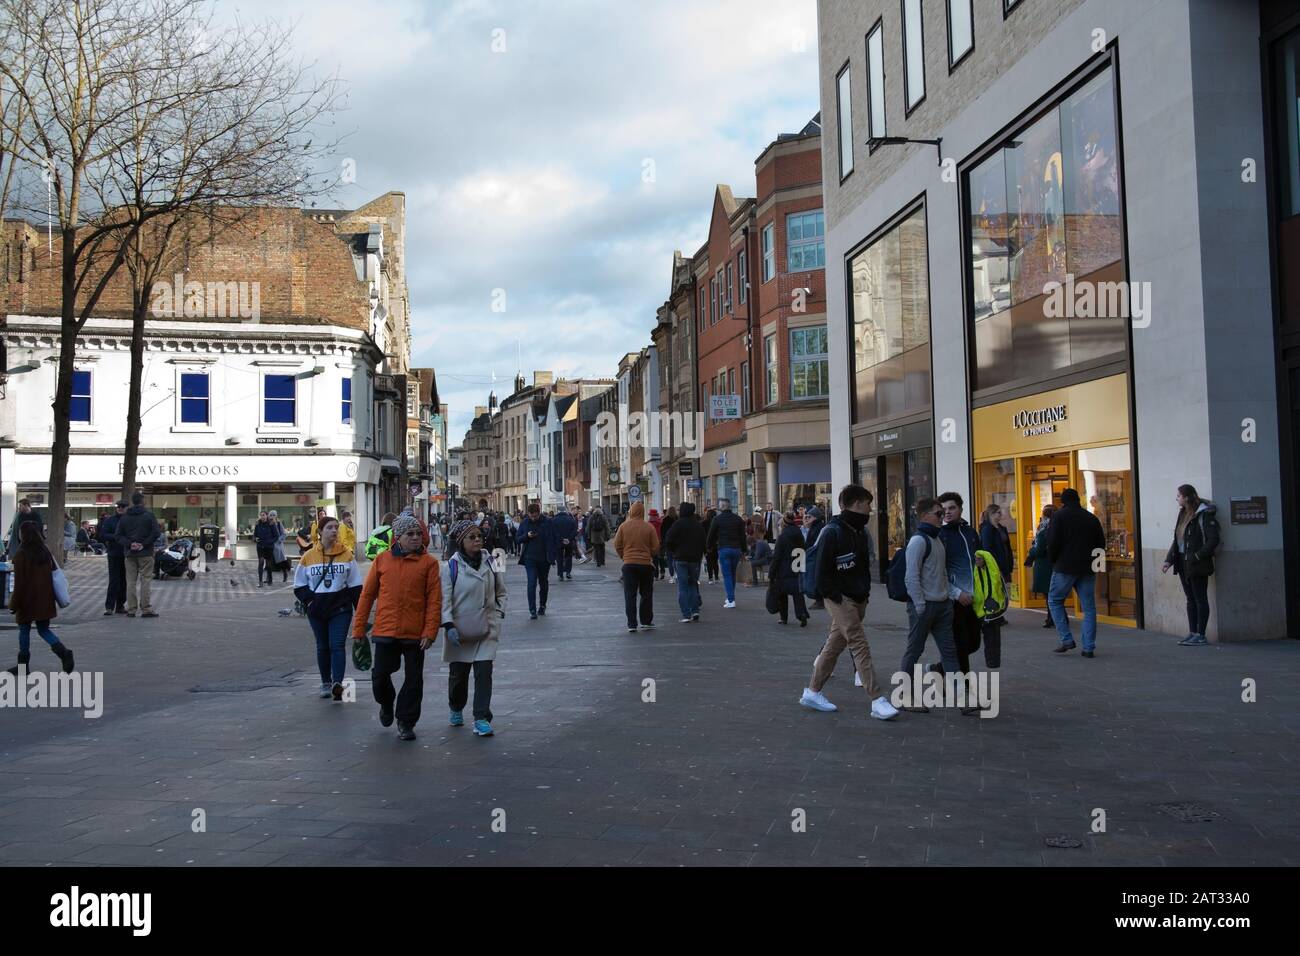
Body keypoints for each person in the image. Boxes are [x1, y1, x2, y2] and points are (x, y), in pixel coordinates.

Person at [799, 485, 899, 721]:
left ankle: (812, 691)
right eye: (867, 505)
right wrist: (834, 596)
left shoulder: (859, 533)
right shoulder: (832, 532)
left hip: (857, 596)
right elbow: (822, 571)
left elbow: (863, 566)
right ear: (855, 504)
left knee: (834, 645)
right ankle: (877, 699)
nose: (870, 509)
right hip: (839, 597)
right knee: (858, 642)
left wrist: (864, 594)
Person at [351, 514, 442, 741]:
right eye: (409, 534)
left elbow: (434, 600)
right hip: (385, 630)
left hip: (415, 633)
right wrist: (359, 628)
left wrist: (430, 631)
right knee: (380, 676)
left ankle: (406, 721)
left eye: (418, 534)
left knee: (414, 680)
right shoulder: (382, 560)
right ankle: (386, 703)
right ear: (397, 537)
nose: (415, 538)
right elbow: (367, 595)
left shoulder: (429, 564)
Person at [441, 520, 507, 737]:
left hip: (487, 627)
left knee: (484, 671)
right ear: (461, 542)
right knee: (459, 676)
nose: (477, 540)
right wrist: (448, 624)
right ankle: (455, 706)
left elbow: (501, 592)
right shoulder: (450, 567)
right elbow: (445, 600)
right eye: (472, 537)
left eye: (479, 536)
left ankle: (481, 718)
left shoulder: (492, 561)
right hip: (460, 629)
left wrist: (498, 614)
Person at [900, 497, 962, 711]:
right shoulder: (918, 541)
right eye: (938, 513)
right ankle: (906, 698)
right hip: (925, 606)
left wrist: (949, 597)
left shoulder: (937, 540)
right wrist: (919, 605)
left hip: (942, 606)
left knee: (950, 653)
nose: (943, 516)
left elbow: (941, 573)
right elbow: (911, 576)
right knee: (914, 651)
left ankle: (964, 699)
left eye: (943, 512)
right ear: (925, 515)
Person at [294, 515, 363, 701]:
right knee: (322, 646)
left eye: (336, 528)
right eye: (330, 528)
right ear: (320, 532)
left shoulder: (347, 555)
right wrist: (309, 602)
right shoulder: (308, 557)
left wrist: (361, 614)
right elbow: (299, 585)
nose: (334, 531)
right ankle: (325, 681)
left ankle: (337, 683)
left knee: (337, 645)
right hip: (316, 610)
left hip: (340, 609)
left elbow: (356, 586)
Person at [1046, 487, 1107, 657]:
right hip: (1087, 568)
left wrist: (1053, 561)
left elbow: (1053, 542)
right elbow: (1100, 544)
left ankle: (1066, 639)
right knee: (1089, 608)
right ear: (1078, 500)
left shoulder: (1058, 516)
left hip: (1064, 567)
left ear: (1063, 501)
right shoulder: (1091, 518)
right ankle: (1088, 647)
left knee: (1055, 601)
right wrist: (1096, 567)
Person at [7, 523, 74, 676]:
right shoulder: (45, 551)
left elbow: (19, 583)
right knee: (44, 630)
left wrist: (13, 604)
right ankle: (63, 652)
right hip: (45, 599)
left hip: (26, 600)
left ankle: (23, 666)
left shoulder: (21, 554)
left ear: (23, 535)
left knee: (24, 631)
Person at [1162, 484, 1220, 646]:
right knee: (1190, 599)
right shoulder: (1182, 514)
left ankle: (1201, 635)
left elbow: (1213, 540)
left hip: (1196, 563)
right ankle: (1193, 632)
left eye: (1179, 496)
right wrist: (1169, 560)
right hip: (1182, 562)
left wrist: (1197, 555)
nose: (1177, 499)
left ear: (1187, 497)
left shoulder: (1204, 515)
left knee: (1200, 598)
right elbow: (1177, 540)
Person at [937, 492, 981, 676]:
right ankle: (964, 690)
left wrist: (982, 561)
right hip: (954, 600)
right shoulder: (940, 535)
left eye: (951, 508)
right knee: (961, 645)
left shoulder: (971, 532)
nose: (947, 512)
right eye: (943, 509)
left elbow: (981, 555)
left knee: (974, 643)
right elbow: (938, 572)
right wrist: (956, 593)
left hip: (974, 598)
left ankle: (941, 668)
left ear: (961, 509)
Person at [613, 501, 659, 633]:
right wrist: (648, 554)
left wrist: (624, 556)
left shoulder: (623, 526)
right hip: (645, 565)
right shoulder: (649, 527)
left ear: (631, 512)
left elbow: (617, 544)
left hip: (629, 565)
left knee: (630, 594)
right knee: (646, 594)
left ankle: (632, 624)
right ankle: (646, 621)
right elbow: (656, 547)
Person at [115, 492, 161, 618]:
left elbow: (118, 535)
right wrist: (144, 544)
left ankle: (131, 609)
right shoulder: (149, 515)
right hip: (145, 553)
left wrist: (130, 544)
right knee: (145, 580)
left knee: (130, 581)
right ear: (143, 501)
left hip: (130, 553)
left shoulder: (125, 517)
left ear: (132, 502)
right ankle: (146, 608)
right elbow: (156, 532)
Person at [663, 502, 705, 622]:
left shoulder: (678, 524)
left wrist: (673, 551)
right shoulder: (698, 525)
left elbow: (668, 539)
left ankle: (686, 614)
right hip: (694, 560)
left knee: (682, 587)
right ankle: (695, 610)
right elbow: (703, 541)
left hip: (680, 558)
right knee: (693, 584)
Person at [516, 503, 557, 619]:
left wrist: (553, 556)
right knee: (531, 583)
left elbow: (554, 538)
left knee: (543, 583)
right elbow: (518, 539)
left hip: (544, 558)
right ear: (528, 514)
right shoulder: (525, 523)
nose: (533, 518)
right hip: (529, 558)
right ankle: (532, 610)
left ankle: (542, 605)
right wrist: (527, 536)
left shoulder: (548, 522)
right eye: (531, 516)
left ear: (539, 513)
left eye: (535, 516)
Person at [705, 499, 746, 608]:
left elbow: (711, 535)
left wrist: (708, 547)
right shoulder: (738, 519)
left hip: (724, 548)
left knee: (727, 574)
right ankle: (730, 597)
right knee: (732, 573)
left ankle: (731, 599)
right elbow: (743, 536)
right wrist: (744, 550)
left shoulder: (717, 519)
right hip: (736, 549)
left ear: (722, 507)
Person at [770, 512, 809, 626]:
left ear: (784, 523)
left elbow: (777, 556)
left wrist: (772, 572)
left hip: (784, 568)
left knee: (782, 593)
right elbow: (803, 549)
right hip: (797, 566)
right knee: (798, 592)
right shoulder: (799, 533)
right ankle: (802, 613)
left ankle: (783, 618)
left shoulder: (782, 536)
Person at [972, 550, 1007, 669]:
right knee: (986, 638)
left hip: (992, 610)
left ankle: (993, 662)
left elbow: (995, 580)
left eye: (979, 559)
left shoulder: (991, 572)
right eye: (976, 559)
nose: (976, 561)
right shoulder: (976, 572)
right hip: (981, 609)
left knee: (992, 638)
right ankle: (992, 661)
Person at [1025, 504, 1057, 628]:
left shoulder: (1043, 528)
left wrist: (1031, 551)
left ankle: (1052, 618)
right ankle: (1054, 617)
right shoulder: (1056, 526)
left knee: (1049, 594)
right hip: (1054, 564)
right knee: (1053, 593)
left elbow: (1038, 549)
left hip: (1044, 565)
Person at [97, 501, 128, 616]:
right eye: (118, 507)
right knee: (114, 580)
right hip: (114, 553)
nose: (120, 508)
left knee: (124, 581)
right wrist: (117, 537)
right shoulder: (110, 520)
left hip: (126, 553)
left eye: (122, 507)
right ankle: (109, 606)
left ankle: (120, 605)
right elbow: (103, 534)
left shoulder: (129, 520)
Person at [979, 503, 1013, 580]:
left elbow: (1008, 546)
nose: (1001, 514)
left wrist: (1010, 564)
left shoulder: (1001, 528)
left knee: (1007, 589)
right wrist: (995, 566)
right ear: (992, 514)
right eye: (999, 512)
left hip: (1005, 565)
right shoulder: (987, 529)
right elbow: (988, 549)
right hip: (995, 567)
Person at [253, 511, 279, 588]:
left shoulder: (271, 524)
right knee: (261, 562)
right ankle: (260, 581)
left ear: (267, 516)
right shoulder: (258, 524)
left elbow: (276, 536)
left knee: (268, 564)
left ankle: (270, 579)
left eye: (264, 515)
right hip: (260, 546)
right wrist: (255, 539)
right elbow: (254, 535)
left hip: (269, 547)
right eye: (261, 515)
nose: (262, 517)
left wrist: (270, 542)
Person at [552, 506, 578, 581]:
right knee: (568, 557)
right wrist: (568, 539)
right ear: (565, 511)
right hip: (569, 542)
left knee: (559, 558)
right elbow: (574, 530)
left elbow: (554, 532)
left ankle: (560, 574)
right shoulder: (570, 519)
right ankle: (568, 572)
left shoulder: (554, 520)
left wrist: (561, 539)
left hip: (558, 542)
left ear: (558, 511)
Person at [268, 510, 289, 583]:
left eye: (274, 515)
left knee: (281, 561)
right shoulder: (268, 524)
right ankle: (269, 578)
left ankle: (285, 574)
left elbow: (284, 534)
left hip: (278, 546)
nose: (272, 516)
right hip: (270, 545)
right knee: (269, 562)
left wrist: (279, 540)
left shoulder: (279, 524)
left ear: (276, 516)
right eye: (271, 515)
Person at [659, 506, 677, 581]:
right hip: (676, 542)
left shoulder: (665, 520)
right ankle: (677, 573)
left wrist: (663, 542)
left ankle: (671, 575)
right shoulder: (677, 519)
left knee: (669, 559)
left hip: (668, 542)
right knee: (676, 558)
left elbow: (662, 532)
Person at [702, 508, 719, 584]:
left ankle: (710, 578)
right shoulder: (717, 523)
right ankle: (716, 576)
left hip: (706, 545)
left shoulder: (703, 523)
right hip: (716, 544)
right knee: (715, 561)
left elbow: (701, 535)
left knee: (709, 561)